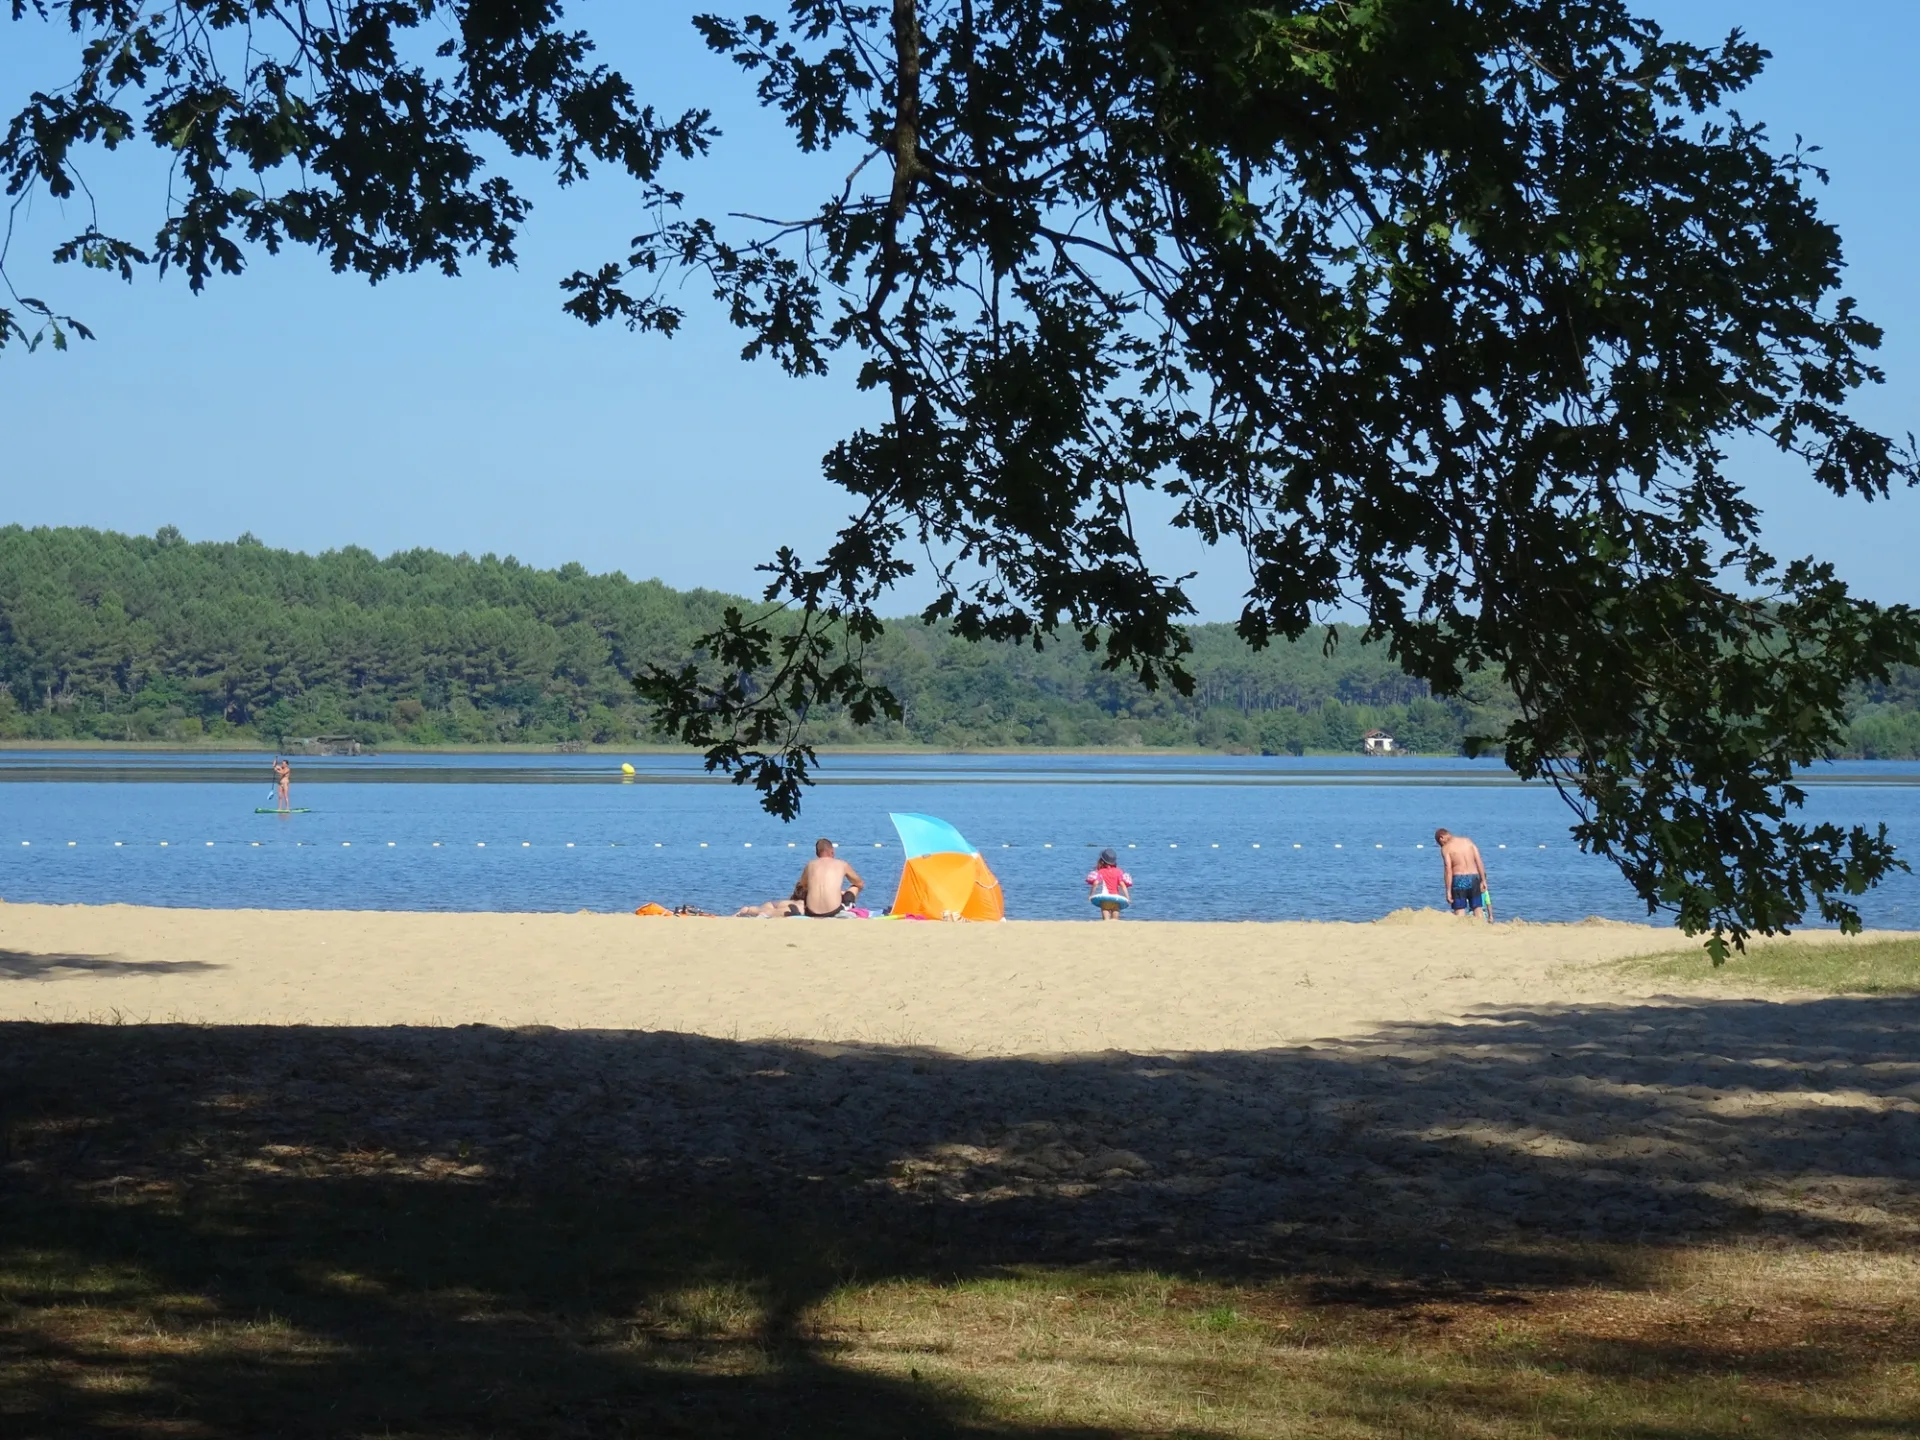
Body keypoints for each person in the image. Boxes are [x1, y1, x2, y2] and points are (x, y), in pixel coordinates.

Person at [795, 837, 864, 918]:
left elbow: (802, 884)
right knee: (855, 887)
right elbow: (860, 883)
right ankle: (847, 907)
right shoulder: (842, 864)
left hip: (811, 912)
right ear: (832, 851)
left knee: (806, 888)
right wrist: (841, 893)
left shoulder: (810, 865)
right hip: (834, 912)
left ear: (817, 853)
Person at [1435, 828, 1491, 920]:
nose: (1441, 846)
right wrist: (1483, 880)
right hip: (1474, 877)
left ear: (1441, 838)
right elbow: (1479, 861)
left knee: (1459, 911)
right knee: (1478, 909)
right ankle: (1481, 927)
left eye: (1440, 843)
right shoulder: (1468, 841)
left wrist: (1448, 891)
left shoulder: (1446, 848)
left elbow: (1448, 869)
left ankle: (1461, 928)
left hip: (1459, 880)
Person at [1086, 847, 1133, 920]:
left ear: (1102, 861)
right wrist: (1128, 898)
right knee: (1115, 921)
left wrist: (1091, 895)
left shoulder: (1101, 872)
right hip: (1116, 899)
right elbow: (1122, 885)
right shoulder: (1119, 871)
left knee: (1106, 921)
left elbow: (1095, 883)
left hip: (1105, 900)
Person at [734, 897, 804, 918]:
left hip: (774, 906)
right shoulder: (800, 906)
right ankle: (746, 911)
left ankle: (746, 911)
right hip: (772, 906)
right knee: (765, 911)